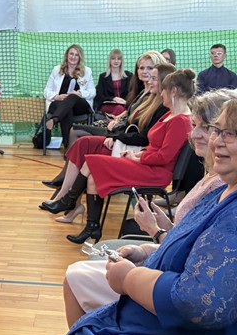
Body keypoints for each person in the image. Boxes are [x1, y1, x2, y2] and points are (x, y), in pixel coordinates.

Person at [53, 98, 237, 335]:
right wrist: (147, 252)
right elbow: (193, 249)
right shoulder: (221, 190)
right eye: (217, 130)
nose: (216, 140)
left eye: (230, 134)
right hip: (169, 328)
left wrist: (128, 278)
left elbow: (195, 303)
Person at [47, 68, 195, 245]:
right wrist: (137, 154)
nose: (161, 93)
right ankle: (92, 227)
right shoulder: (170, 114)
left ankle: (69, 200)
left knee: (90, 162)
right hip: (147, 164)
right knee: (93, 177)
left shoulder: (181, 121)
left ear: (174, 91)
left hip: (155, 173)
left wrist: (137, 158)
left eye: (164, 89)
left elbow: (164, 157)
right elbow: (154, 146)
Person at [41, 53, 170, 220]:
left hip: (127, 147)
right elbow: (124, 114)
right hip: (119, 135)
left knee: (81, 140)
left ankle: (67, 199)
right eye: (142, 68)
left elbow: (142, 134)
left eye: (150, 68)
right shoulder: (141, 92)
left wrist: (117, 136)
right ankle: (65, 197)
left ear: (160, 73)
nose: (145, 72)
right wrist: (117, 121)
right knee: (81, 142)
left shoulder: (158, 100)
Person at [43, 44, 96, 150]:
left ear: (80, 58)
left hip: (79, 106)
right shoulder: (56, 70)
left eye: (76, 55)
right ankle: (69, 148)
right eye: (71, 54)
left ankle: (54, 119)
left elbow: (92, 92)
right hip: (59, 104)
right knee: (67, 110)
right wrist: (56, 96)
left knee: (72, 97)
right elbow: (46, 91)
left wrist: (79, 93)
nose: (73, 57)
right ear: (67, 55)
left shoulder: (87, 71)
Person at [93, 48, 132, 117]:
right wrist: (113, 98)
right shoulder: (103, 77)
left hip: (125, 104)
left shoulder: (129, 75)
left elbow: (132, 93)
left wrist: (125, 101)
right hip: (108, 105)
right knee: (120, 109)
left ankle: (111, 121)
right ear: (109, 60)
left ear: (121, 61)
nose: (116, 61)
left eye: (118, 59)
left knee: (123, 109)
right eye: (113, 58)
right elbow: (99, 96)